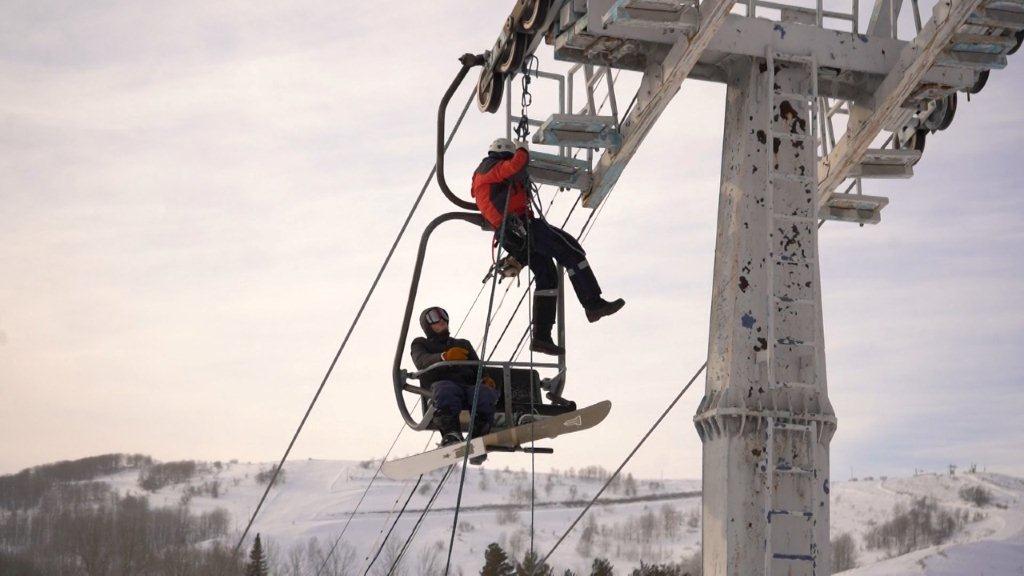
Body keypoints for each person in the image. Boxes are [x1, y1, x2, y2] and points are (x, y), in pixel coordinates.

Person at [471, 137, 625, 356]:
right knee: (571, 252)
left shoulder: (489, 176)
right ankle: (593, 304)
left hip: (513, 233)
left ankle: (541, 337)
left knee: (547, 276)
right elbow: (516, 164)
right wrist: (522, 149)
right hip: (521, 227)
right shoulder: (490, 167)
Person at [410, 306, 499, 453]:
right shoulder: (421, 344)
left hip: (467, 387)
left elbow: (478, 367)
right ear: (427, 325)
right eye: (434, 318)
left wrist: (485, 378)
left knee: (483, 393)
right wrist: (444, 357)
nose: (441, 320)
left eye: (444, 316)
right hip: (442, 386)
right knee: (446, 389)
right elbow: (421, 361)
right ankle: (451, 434)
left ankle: (479, 435)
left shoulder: (463, 344)